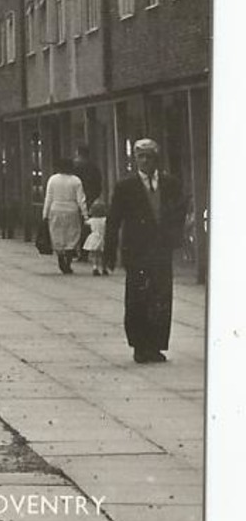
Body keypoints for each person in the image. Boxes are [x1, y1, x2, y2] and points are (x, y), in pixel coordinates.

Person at [105, 139, 188, 364]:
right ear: (135, 159)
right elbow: (114, 219)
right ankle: (140, 345)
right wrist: (109, 251)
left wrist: (174, 235)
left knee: (161, 297)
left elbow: (180, 209)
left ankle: (156, 344)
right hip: (137, 251)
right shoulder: (126, 187)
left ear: (156, 159)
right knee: (137, 298)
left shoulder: (170, 184)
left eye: (149, 156)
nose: (145, 161)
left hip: (161, 250)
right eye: (140, 156)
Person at [42, 155, 88, 275]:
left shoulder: (53, 179)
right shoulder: (76, 180)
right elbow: (81, 199)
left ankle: (60, 255)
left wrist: (45, 214)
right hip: (71, 209)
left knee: (57, 233)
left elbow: (48, 197)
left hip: (55, 208)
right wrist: (85, 214)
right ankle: (68, 255)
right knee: (72, 234)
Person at [73, 144, 106, 263]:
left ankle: (77, 250)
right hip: (91, 198)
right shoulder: (94, 167)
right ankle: (87, 251)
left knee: (78, 225)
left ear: (78, 152)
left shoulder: (75, 166)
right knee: (89, 226)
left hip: (77, 199)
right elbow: (99, 183)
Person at [84, 198, 110, 276]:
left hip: (94, 237)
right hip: (103, 237)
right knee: (103, 254)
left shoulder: (92, 220)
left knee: (94, 254)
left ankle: (95, 267)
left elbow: (85, 223)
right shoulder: (105, 220)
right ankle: (104, 268)